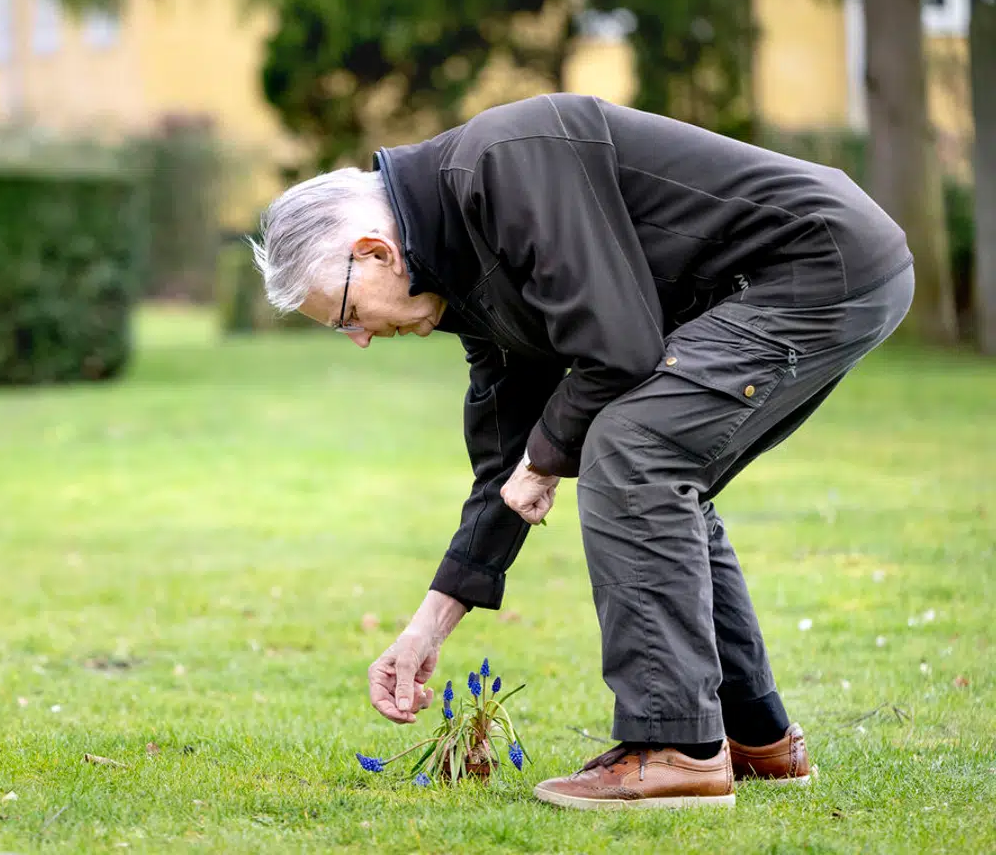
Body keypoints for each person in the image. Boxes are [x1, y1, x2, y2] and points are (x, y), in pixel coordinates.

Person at [248, 93, 914, 810]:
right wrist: (426, 626)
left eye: (348, 314)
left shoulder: (503, 166)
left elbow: (619, 349)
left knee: (633, 449)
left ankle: (676, 749)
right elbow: (505, 470)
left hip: (811, 262)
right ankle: (756, 739)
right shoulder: (461, 268)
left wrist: (543, 461)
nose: (361, 339)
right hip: (796, 277)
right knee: (653, 470)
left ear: (375, 253)